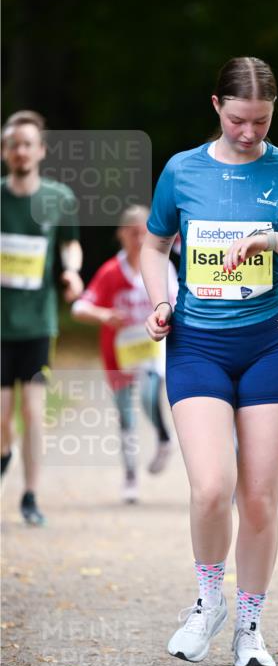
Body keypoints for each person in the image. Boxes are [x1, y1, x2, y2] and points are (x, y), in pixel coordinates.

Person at [141, 56, 278, 666]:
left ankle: (251, 624)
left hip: (270, 344)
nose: (249, 132)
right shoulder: (182, 171)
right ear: (215, 107)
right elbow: (154, 247)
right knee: (211, 488)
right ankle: (208, 602)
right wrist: (161, 299)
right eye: (237, 120)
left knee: (258, 499)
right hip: (198, 344)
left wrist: (275, 240)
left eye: (260, 120)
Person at [1, 110, 83, 525]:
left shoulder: (58, 198)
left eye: (28, 144)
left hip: (37, 323)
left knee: (33, 410)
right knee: (1, 417)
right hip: (1, 324)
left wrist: (71, 272)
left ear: (41, 151)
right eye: (13, 144)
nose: (20, 151)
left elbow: (70, 245)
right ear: (5, 152)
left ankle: (30, 495)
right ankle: (4, 451)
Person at [71, 205, 177, 503]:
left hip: (152, 347)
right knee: (126, 416)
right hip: (119, 354)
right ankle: (130, 476)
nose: (138, 238)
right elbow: (79, 307)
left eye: (144, 232)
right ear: (121, 235)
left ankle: (164, 437)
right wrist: (104, 315)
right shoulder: (110, 272)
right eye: (132, 232)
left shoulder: (160, 267)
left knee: (148, 395)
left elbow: (176, 301)